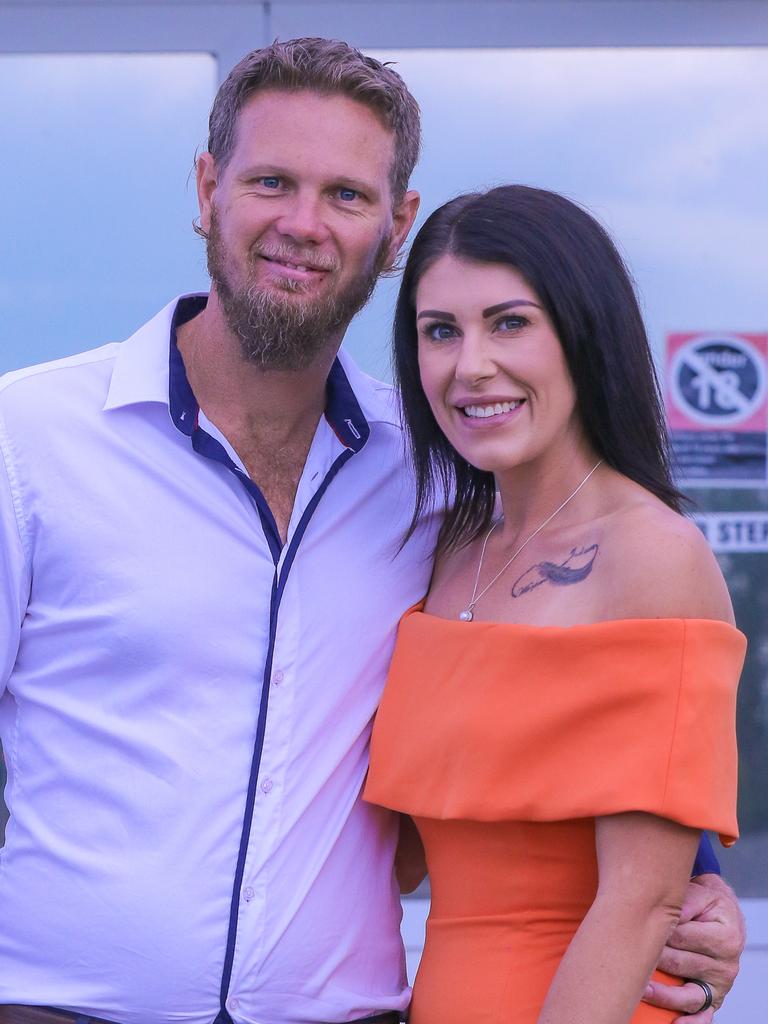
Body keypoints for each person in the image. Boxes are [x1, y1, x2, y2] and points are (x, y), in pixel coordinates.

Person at [0, 38, 744, 1024]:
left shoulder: (434, 480)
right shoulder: (30, 439)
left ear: (395, 227)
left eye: (346, 196)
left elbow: (587, 735)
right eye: (272, 181)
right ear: (208, 186)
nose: (304, 224)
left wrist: (683, 894)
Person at [364, 185, 746, 1024]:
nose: (470, 366)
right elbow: (405, 857)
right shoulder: (447, 551)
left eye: (509, 322)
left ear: (582, 331)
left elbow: (641, 905)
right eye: (440, 331)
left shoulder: (652, 553)